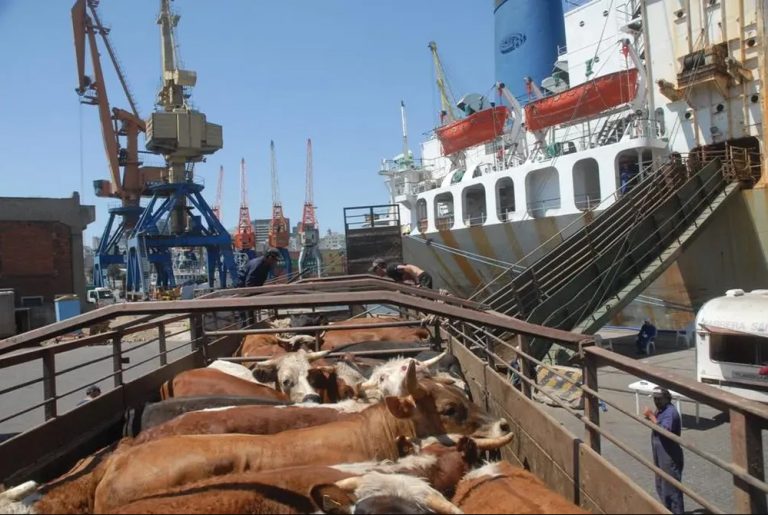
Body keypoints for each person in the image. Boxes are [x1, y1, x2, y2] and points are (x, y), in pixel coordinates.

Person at [643, 387, 684, 514]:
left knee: (671, 488)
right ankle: (666, 510)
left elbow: (665, 431)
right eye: (655, 399)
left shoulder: (670, 412)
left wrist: (651, 416)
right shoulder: (661, 410)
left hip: (669, 455)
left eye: (659, 399)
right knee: (661, 484)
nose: (656, 401)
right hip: (660, 453)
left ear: (667, 398)